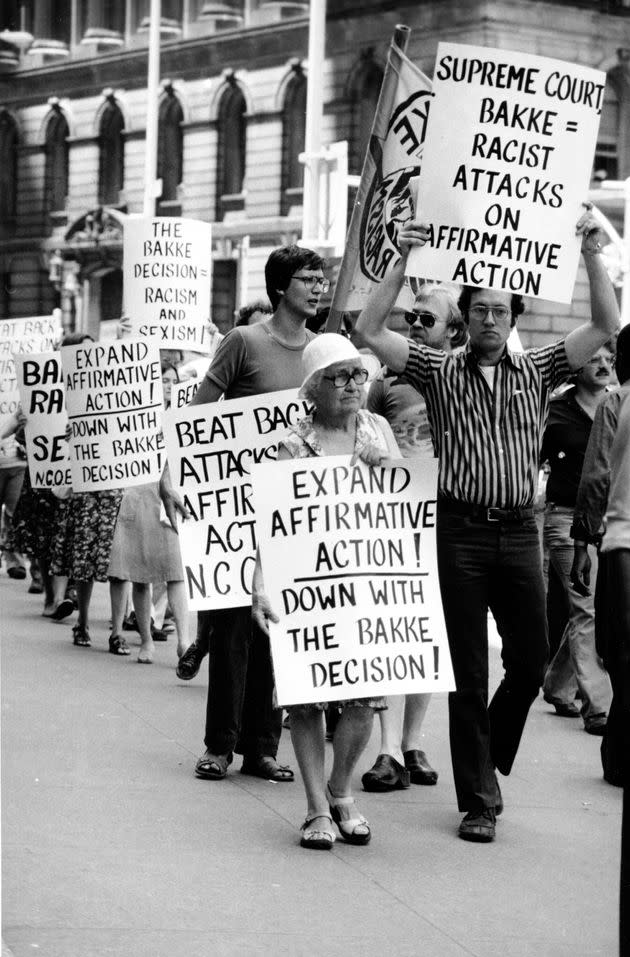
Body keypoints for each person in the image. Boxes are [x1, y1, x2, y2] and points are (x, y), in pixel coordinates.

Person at [355, 209, 620, 842]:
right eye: (479, 311)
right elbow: (366, 326)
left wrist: (589, 254)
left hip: (520, 534)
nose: (490, 320)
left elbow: (608, 324)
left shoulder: (541, 370)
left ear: (514, 318)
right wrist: (402, 258)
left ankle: (490, 747)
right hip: (462, 531)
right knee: (470, 672)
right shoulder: (436, 369)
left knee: (529, 660)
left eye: (500, 311)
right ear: (465, 318)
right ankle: (479, 799)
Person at [162, 244, 328, 783]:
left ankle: (262, 746)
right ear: (281, 288)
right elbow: (198, 416)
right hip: (236, 511)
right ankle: (220, 745)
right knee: (233, 630)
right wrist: (171, 473)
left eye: (321, 278)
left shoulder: (324, 352)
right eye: (308, 278)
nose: (318, 286)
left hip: (295, 512)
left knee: (277, 631)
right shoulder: (244, 342)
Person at [252, 333, 400, 849]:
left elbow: (403, 508)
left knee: (364, 698)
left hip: (367, 587)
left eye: (359, 374)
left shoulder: (378, 431)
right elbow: (268, 522)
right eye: (339, 377)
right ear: (313, 388)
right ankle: (317, 807)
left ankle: (341, 790)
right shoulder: (291, 444)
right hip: (306, 586)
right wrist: (261, 584)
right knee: (306, 701)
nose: (352, 385)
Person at [361, 282, 466, 793]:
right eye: (413, 318)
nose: (416, 325)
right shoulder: (386, 380)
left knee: (431, 631)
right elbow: (365, 435)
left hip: (451, 520)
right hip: (395, 517)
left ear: (454, 330)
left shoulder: (470, 379)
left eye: (428, 319)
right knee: (391, 625)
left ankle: (413, 742)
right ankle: (385, 750)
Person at [540, 344, 615, 733]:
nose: (603, 365)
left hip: (610, 521)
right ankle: (598, 706)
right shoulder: (554, 411)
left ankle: (557, 683)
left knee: (591, 604)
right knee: (587, 607)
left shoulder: (618, 405)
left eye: (609, 359)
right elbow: (528, 460)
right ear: (576, 365)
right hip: (566, 520)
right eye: (594, 358)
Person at [571, 324, 630, 786]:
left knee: (620, 651)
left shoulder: (616, 403)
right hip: (619, 539)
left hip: (619, 542)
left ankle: (618, 757)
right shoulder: (614, 401)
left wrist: (582, 544)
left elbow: (596, 477)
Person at [108, 360, 190, 664]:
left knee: (174, 570)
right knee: (139, 574)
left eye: (172, 381)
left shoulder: (185, 414)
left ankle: (185, 640)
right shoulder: (137, 416)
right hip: (137, 494)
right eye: (163, 380)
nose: (168, 385)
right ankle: (146, 640)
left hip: (169, 497)